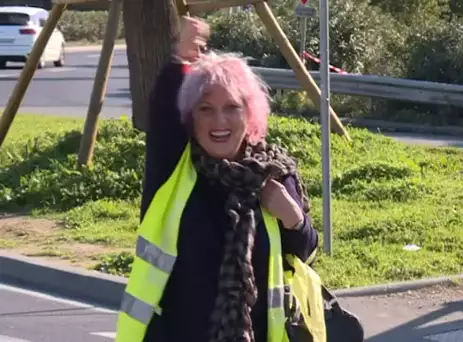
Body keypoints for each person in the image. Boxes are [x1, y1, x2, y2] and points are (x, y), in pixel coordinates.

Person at [115, 17, 320, 342]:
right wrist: (180, 59)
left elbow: (307, 252)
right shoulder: (175, 173)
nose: (219, 121)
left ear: (250, 114)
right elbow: (162, 117)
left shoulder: (274, 173)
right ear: (190, 117)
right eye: (205, 109)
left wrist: (292, 216)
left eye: (232, 108)